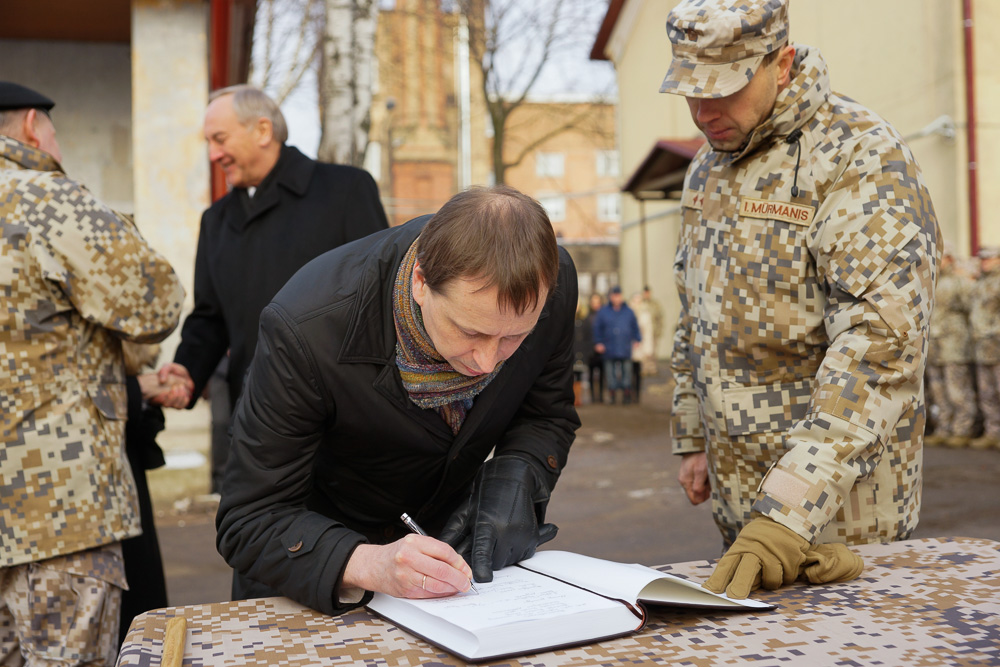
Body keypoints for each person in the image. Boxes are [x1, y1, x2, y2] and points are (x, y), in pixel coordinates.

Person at [661, 0, 940, 599]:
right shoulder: (707, 170)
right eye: (691, 91)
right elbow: (696, 312)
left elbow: (881, 347)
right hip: (742, 499)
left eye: (725, 89)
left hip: (840, 508)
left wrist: (788, 508)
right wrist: (692, 434)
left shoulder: (858, 155)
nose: (704, 113)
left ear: (781, 64)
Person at [215, 185, 580, 615]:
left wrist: (518, 475)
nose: (486, 362)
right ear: (421, 282)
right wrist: (369, 562)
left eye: (514, 338)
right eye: (470, 332)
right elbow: (250, 519)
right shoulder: (306, 327)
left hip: (452, 588)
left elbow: (546, 414)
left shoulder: (553, 285)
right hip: (314, 580)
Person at [0, 82, 184, 665]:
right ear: (33, 125)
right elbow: (156, 301)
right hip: (57, 514)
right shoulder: (42, 198)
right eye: (54, 133)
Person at [153, 85, 389, 491]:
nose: (213, 154)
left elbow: (382, 301)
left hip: (344, 426)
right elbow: (210, 317)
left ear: (262, 130)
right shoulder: (217, 220)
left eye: (219, 139)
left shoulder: (346, 190)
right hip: (258, 424)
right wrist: (188, 370)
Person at [924, 247, 978, 448]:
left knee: (957, 389)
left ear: (950, 258)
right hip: (934, 343)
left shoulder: (959, 282)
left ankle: (963, 429)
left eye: (943, 256)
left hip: (954, 343)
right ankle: (944, 428)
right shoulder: (929, 281)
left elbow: (971, 310)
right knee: (939, 389)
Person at [969, 246, 1000, 450]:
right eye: (983, 259)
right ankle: (992, 433)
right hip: (982, 346)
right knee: (986, 392)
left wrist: (992, 331)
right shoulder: (980, 282)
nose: (985, 262)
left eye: (989, 258)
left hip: (996, 344)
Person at [592, 286, 641, 404]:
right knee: (610, 374)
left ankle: (626, 394)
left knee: (627, 372)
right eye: (614, 295)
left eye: (618, 295)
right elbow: (597, 328)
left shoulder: (629, 311)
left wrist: (637, 339)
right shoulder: (603, 312)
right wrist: (598, 342)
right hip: (609, 348)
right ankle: (612, 394)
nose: (616, 298)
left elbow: (635, 327)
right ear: (610, 297)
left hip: (625, 347)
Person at [584, 293, 605, 403]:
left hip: (602, 350)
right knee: (591, 374)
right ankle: (592, 396)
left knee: (602, 374)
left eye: (598, 302)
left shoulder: (604, 317)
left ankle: (601, 396)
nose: (596, 305)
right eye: (594, 302)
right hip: (591, 350)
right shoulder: (587, 318)